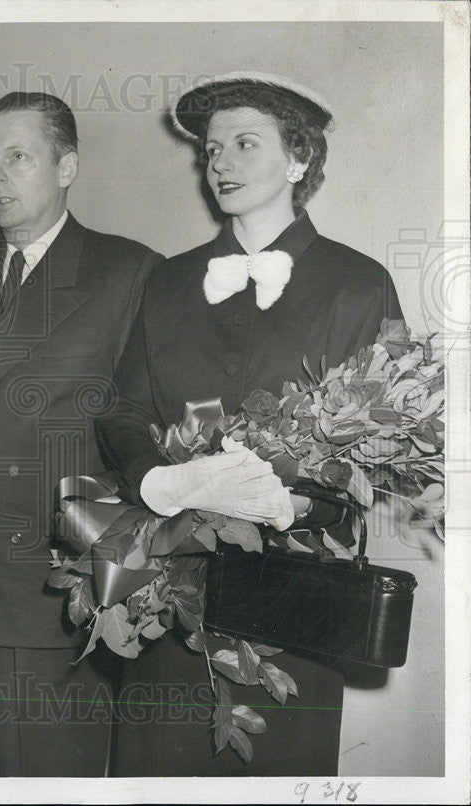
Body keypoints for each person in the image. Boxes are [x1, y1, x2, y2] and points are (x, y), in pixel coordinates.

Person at [96, 72, 404, 776]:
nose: (221, 163)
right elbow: (120, 409)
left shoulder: (358, 284)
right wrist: (161, 483)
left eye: (243, 144)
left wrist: (294, 499)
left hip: (296, 598)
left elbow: (385, 448)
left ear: (298, 160)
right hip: (168, 592)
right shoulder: (168, 282)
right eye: (211, 151)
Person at [0, 91, 163, 776]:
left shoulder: (131, 272)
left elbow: (145, 432)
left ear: (67, 165)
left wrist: (110, 574)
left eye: (16, 157)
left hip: (60, 593)